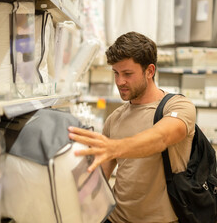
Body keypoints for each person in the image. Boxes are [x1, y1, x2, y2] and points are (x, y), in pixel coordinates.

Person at [68, 31, 196, 223]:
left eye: (127, 74)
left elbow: (160, 138)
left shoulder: (178, 107)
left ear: (150, 71)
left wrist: (115, 147)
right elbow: (101, 174)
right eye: (116, 74)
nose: (120, 82)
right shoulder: (115, 118)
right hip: (116, 218)